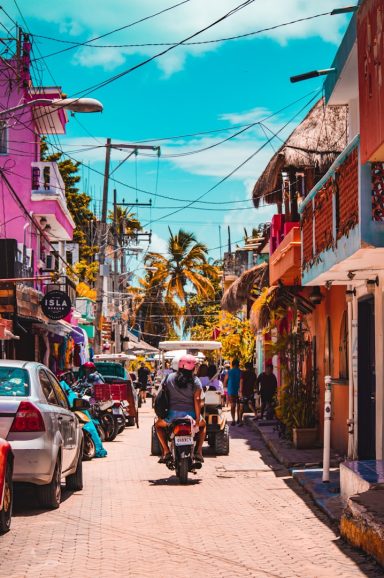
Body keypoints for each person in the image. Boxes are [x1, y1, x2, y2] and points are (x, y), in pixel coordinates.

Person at [155, 354, 206, 464]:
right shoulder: (196, 380)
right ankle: (198, 451)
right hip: (191, 416)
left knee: (158, 426)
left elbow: (160, 394)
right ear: (192, 367)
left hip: (171, 417)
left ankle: (166, 451)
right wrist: (197, 419)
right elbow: (197, 399)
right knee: (203, 426)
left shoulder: (168, 378)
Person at [223, 359, 241, 426]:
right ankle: (239, 419)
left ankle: (233, 420)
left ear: (232, 365)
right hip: (239, 390)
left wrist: (225, 388)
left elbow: (225, 381)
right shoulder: (240, 372)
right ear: (238, 364)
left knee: (233, 405)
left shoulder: (229, 372)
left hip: (231, 390)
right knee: (239, 405)